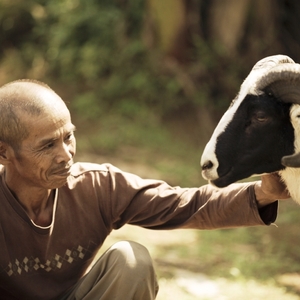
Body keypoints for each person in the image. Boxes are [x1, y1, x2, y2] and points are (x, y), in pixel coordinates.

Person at [0, 79, 290, 300]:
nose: (66, 155)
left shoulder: (97, 186)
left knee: (131, 260)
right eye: (48, 145)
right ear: (4, 153)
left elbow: (184, 205)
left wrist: (262, 194)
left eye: (69, 136)